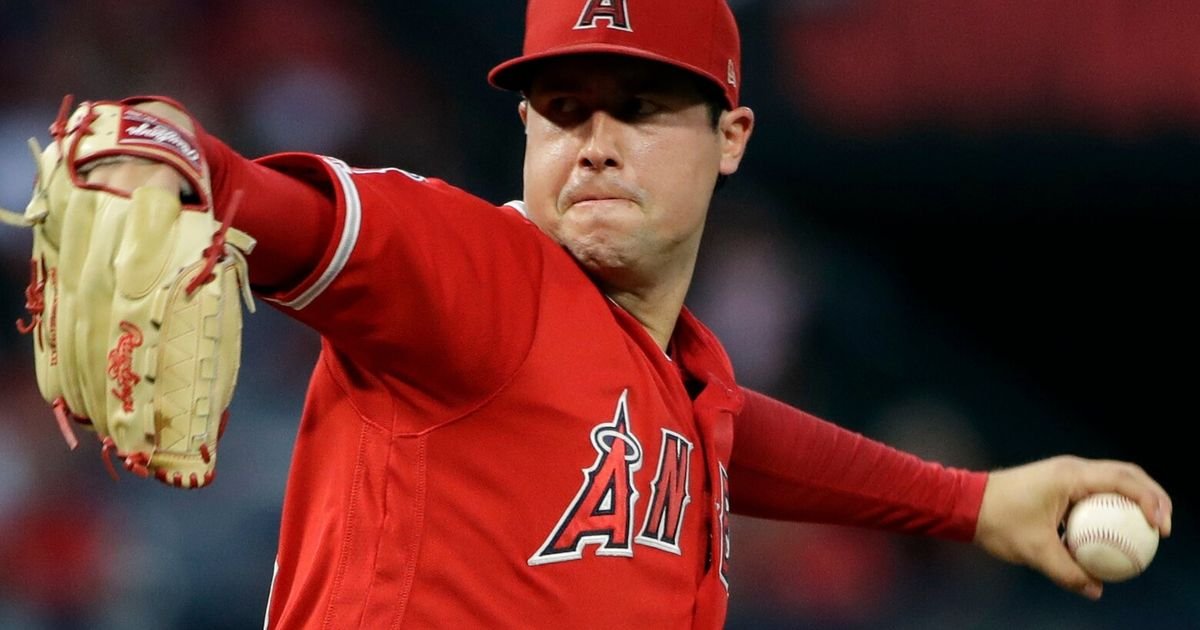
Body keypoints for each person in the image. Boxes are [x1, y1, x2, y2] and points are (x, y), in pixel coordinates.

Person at [19, 0, 1172, 628]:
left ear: (731, 139)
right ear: (525, 131)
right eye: (564, 108)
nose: (597, 143)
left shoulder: (673, 369)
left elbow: (728, 437)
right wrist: (169, 151)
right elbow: (296, 214)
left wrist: (972, 503)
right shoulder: (474, 274)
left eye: (642, 107)